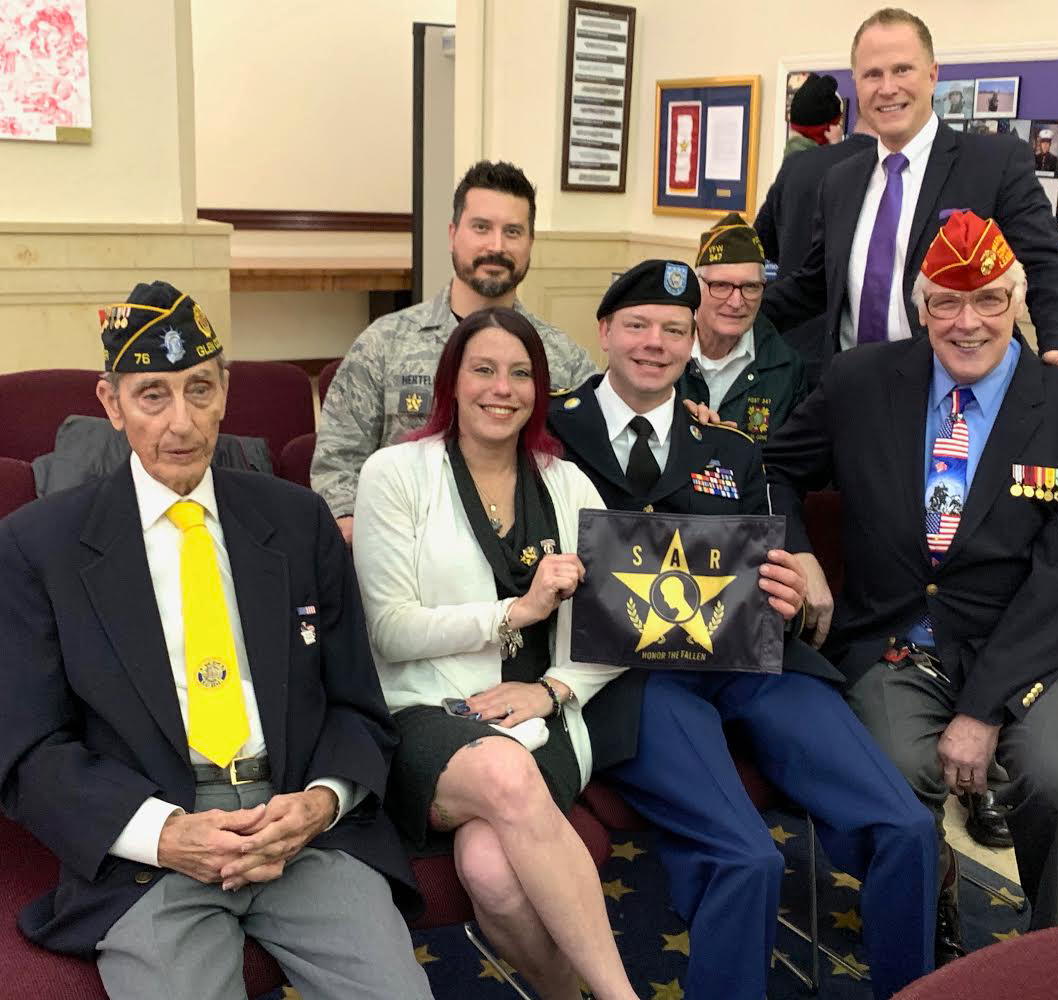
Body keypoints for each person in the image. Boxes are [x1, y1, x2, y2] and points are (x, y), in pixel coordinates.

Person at [0, 281, 431, 1000]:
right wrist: (163, 832)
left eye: (199, 389)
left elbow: (356, 703)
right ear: (110, 404)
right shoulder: (39, 546)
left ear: (226, 391)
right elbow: (29, 750)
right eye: (152, 396)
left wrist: (320, 802)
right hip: (149, 852)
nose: (181, 424)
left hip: (300, 832)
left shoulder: (298, 523)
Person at [548, 259, 938, 1000]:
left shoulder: (727, 447)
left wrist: (786, 583)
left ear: (692, 341)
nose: (654, 343)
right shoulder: (549, 432)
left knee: (907, 828)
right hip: (627, 677)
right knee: (747, 857)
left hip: (750, 659)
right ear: (603, 332)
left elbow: (764, 565)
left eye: (673, 330)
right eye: (636, 325)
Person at [763, 211, 1058, 962]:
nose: (967, 323)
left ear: (1017, 302)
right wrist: (798, 555)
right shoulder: (860, 381)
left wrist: (982, 710)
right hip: (897, 636)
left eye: (989, 300)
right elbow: (773, 467)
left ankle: (1047, 944)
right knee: (893, 780)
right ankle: (930, 902)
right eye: (945, 303)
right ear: (919, 308)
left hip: (1027, 647)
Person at [352, 308, 638, 1000]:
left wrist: (554, 690)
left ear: (538, 391)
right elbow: (389, 630)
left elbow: (621, 622)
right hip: (422, 712)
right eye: (482, 369)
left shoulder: (566, 484)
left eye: (519, 374)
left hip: (539, 723)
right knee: (506, 781)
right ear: (451, 381)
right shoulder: (394, 474)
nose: (500, 388)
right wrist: (515, 613)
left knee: (489, 871)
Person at [758, 8, 1058, 404]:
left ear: (932, 76)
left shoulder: (993, 164)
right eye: (873, 74)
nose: (887, 87)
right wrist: (728, 311)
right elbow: (813, 284)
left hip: (955, 403)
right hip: (852, 401)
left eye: (903, 70)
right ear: (856, 84)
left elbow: (1048, 267)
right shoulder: (839, 181)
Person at [313, 160, 598, 544]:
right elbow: (337, 464)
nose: (496, 246)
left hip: (528, 559)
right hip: (408, 552)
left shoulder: (563, 358)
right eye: (481, 228)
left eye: (512, 231)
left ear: (530, 242)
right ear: (453, 234)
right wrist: (360, 541)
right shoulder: (385, 344)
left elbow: (603, 455)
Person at [755, 114, 879, 379]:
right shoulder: (871, 173)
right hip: (848, 359)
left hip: (787, 339)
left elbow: (760, 241)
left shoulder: (796, 166)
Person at [676, 212, 807, 440]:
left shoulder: (786, 370)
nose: (736, 302)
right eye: (721, 285)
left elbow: (790, 465)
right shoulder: (663, 346)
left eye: (750, 287)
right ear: (698, 287)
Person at [783, 72, 844, 158]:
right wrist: (836, 146)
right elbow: (824, 169)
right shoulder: (801, 153)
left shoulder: (794, 148)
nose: (837, 128)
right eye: (835, 124)